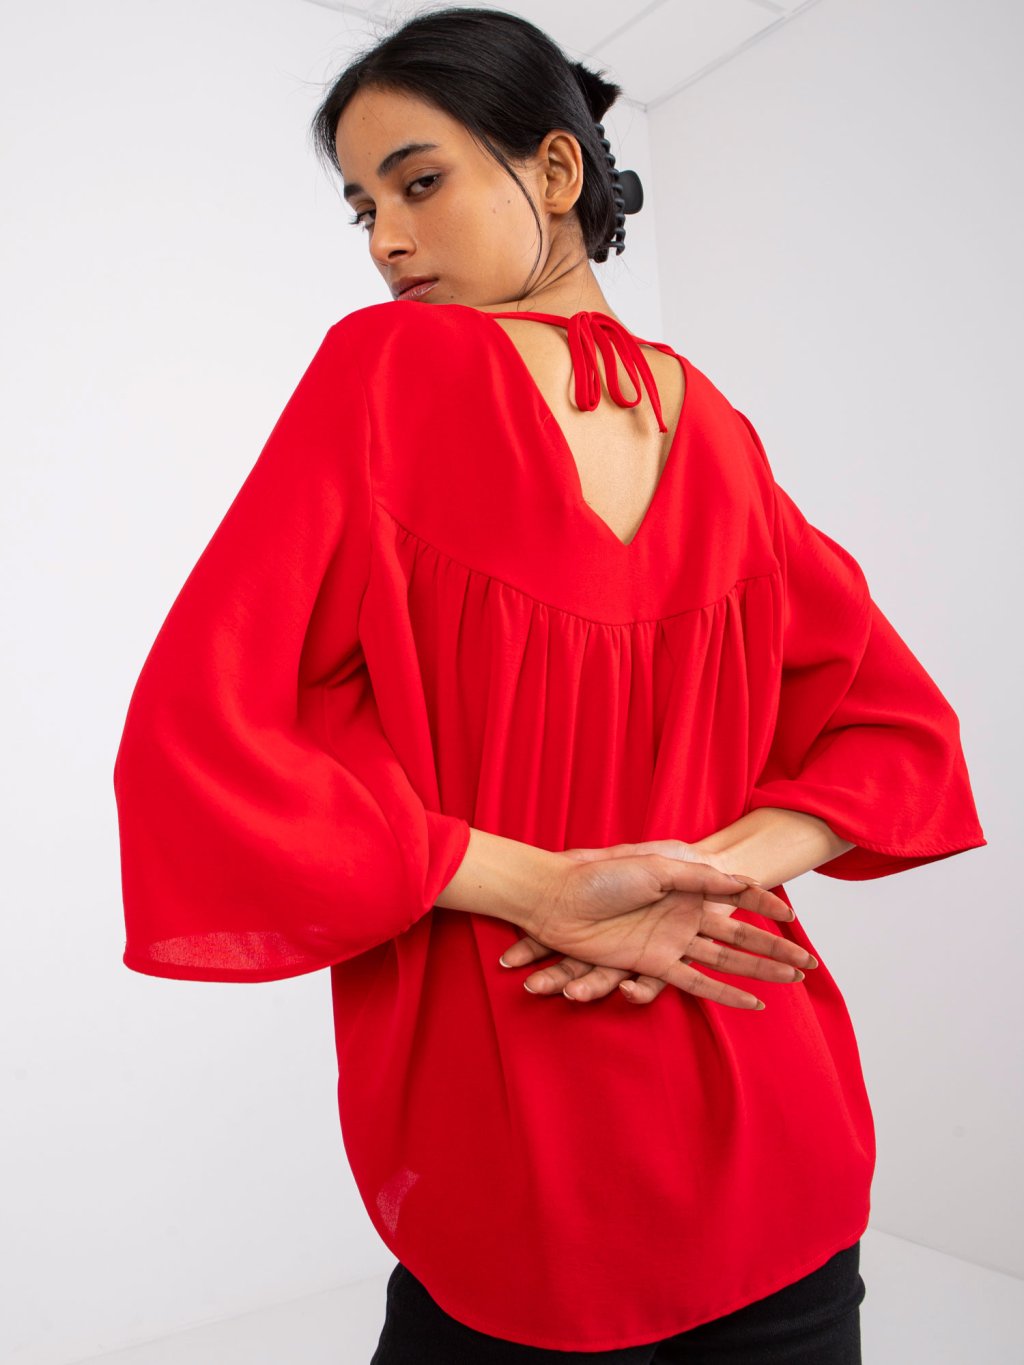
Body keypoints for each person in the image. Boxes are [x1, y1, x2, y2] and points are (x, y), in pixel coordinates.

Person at [111, 7, 986, 1361]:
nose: (385, 241)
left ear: (557, 170)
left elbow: (199, 735)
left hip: (519, 1159)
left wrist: (564, 888)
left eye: (418, 182)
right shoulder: (721, 432)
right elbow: (899, 732)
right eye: (363, 209)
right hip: (776, 1118)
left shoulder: (383, 371)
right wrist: (714, 871)